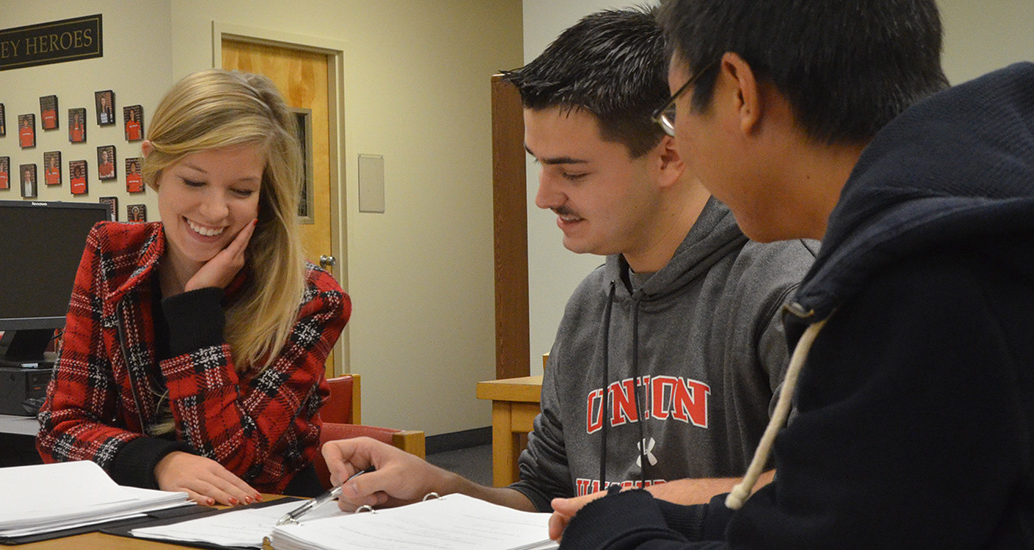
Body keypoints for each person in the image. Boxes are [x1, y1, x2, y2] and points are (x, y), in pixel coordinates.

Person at [554, 0, 1034, 548]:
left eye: (674, 110)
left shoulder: (920, 284)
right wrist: (664, 515)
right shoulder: (1013, 186)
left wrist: (612, 532)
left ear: (739, 92)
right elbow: (862, 508)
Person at [321, 6, 815, 517]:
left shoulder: (785, 285)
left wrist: (640, 508)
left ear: (669, 156)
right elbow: (541, 495)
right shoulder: (589, 306)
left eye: (572, 173)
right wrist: (439, 485)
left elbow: (830, 491)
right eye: (540, 164)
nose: (543, 197)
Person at [36, 69, 352, 507]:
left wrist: (196, 311)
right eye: (194, 181)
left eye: (241, 190)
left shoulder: (313, 299)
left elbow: (232, 464)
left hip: (263, 517)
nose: (215, 209)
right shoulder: (112, 254)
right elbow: (61, 427)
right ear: (155, 166)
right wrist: (160, 463)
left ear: (265, 194)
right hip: (138, 509)